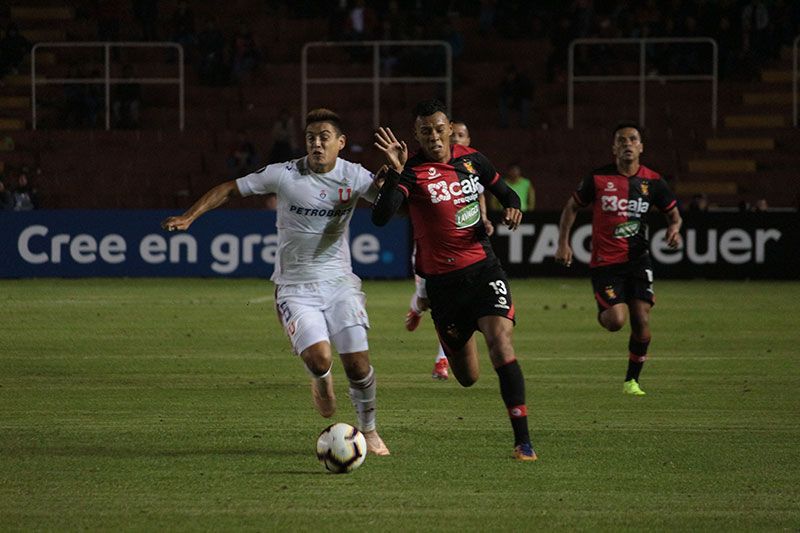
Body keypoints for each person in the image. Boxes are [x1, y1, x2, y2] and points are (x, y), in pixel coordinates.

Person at [161, 108, 391, 456]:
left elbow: (391, 208)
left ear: (340, 143)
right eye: (311, 137)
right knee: (318, 359)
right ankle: (321, 378)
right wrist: (190, 216)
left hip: (340, 283)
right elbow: (229, 189)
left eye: (324, 137)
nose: (316, 143)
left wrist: (398, 177)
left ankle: (370, 431)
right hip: (295, 287)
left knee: (358, 366)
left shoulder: (356, 177)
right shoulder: (284, 174)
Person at [372, 99, 537, 461]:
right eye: (425, 130)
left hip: (483, 270)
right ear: (416, 135)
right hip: (444, 287)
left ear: (450, 128)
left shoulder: (472, 159)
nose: (433, 135)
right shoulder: (412, 171)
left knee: (501, 344)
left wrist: (513, 206)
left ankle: (523, 442)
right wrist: (396, 172)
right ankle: (459, 344)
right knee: (468, 377)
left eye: (438, 128)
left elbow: (505, 192)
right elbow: (381, 217)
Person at [554, 123, 682, 396]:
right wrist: (563, 242)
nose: (627, 143)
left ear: (641, 146)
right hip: (606, 264)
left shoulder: (653, 182)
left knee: (642, 320)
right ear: (614, 148)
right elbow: (571, 207)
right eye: (621, 140)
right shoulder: (598, 178)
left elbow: (673, 214)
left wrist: (674, 229)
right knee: (615, 321)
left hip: (638, 261)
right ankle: (605, 308)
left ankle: (631, 381)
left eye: (633, 139)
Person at [404, 119, 494, 381]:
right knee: (427, 302)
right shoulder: (423, 168)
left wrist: (485, 219)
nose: (455, 140)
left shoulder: (470, 166)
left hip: (468, 252)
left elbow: (479, 196)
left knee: (452, 309)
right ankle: (416, 307)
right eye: (453, 135)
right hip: (432, 253)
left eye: (461, 135)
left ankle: (441, 361)